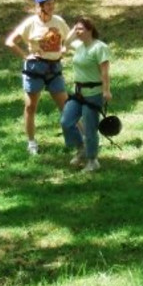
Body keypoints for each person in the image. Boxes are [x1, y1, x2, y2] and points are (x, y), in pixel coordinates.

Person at [5, 0, 70, 155]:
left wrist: (64, 49)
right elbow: (10, 42)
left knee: (66, 106)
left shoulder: (58, 21)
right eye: (47, 4)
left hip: (54, 67)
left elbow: (69, 38)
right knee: (30, 107)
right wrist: (26, 57)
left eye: (53, 3)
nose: (51, 7)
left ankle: (83, 138)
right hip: (36, 68)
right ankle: (32, 142)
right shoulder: (31, 23)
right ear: (39, 6)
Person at [60, 17, 112, 172]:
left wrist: (106, 90)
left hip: (94, 94)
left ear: (90, 30)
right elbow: (67, 43)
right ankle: (81, 148)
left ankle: (92, 160)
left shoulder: (99, 47)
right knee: (66, 121)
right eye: (76, 29)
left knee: (90, 128)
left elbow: (104, 71)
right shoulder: (79, 46)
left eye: (81, 29)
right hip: (78, 93)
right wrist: (75, 29)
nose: (77, 32)